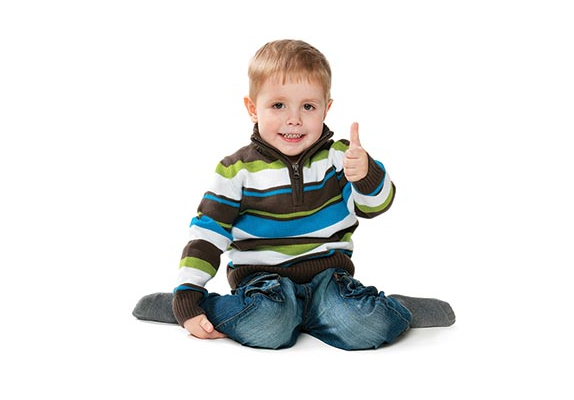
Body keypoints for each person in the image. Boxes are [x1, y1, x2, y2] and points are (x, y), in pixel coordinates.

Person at [133, 39, 455, 350]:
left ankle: (389, 308)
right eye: (278, 105)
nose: (294, 119)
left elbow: (374, 206)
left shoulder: (339, 158)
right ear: (252, 108)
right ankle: (193, 308)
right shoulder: (236, 171)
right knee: (270, 325)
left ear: (326, 109)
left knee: (366, 325)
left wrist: (366, 173)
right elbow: (206, 235)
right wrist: (188, 292)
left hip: (328, 283)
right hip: (263, 287)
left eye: (308, 106)